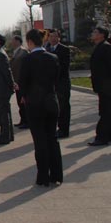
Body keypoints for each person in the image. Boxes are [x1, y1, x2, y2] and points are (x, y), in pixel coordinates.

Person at [19, 29, 62, 186]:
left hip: (35, 103)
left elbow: (23, 82)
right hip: (51, 102)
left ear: (30, 42)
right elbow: (57, 79)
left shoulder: (28, 59)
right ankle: (56, 175)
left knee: (40, 140)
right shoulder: (53, 57)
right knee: (52, 138)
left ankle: (43, 176)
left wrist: (24, 95)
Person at [46, 29, 71, 139]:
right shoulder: (47, 49)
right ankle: (56, 128)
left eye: (55, 36)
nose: (53, 38)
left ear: (59, 38)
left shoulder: (64, 49)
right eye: (51, 36)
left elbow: (64, 67)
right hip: (51, 84)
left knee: (64, 107)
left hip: (62, 83)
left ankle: (64, 130)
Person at [88, 27, 111, 146]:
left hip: (106, 86)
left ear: (102, 35)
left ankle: (102, 137)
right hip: (102, 85)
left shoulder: (106, 47)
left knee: (105, 112)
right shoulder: (99, 47)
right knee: (106, 111)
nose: (93, 33)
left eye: (95, 32)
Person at [10, 35, 29, 129]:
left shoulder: (23, 52)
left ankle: (27, 121)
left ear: (18, 41)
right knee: (19, 102)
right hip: (17, 81)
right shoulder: (16, 52)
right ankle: (23, 120)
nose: (11, 42)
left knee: (23, 102)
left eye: (13, 40)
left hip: (21, 81)